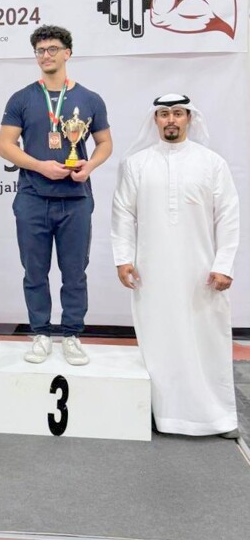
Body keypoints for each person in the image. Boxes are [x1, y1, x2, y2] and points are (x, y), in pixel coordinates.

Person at [111, 93, 239, 437]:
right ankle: (163, 415)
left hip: (202, 275)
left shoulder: (212, 164)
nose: (171, 120)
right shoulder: (137, 164)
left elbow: (228, 217)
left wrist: (224, 264)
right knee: (158, 341)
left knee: (206, 340)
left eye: (178, 114)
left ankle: (217, 417)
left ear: (189, 119)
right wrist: (123, 259)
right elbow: (123, 213)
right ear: (155, 120)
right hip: (151, 274)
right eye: (164, 114)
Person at [0, 25, 112, 366]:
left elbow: (105, 143)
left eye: (52, 49)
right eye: (40, 50)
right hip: (33, 196)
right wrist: (40, 166)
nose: (45, 55)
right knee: (34, 271)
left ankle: (72, 334)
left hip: (75, 199)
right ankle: (41, 334)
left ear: (68, 53)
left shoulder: (90, 99)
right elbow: (5, 146)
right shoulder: (21, 98)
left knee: (74, 271)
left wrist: (89, 166)